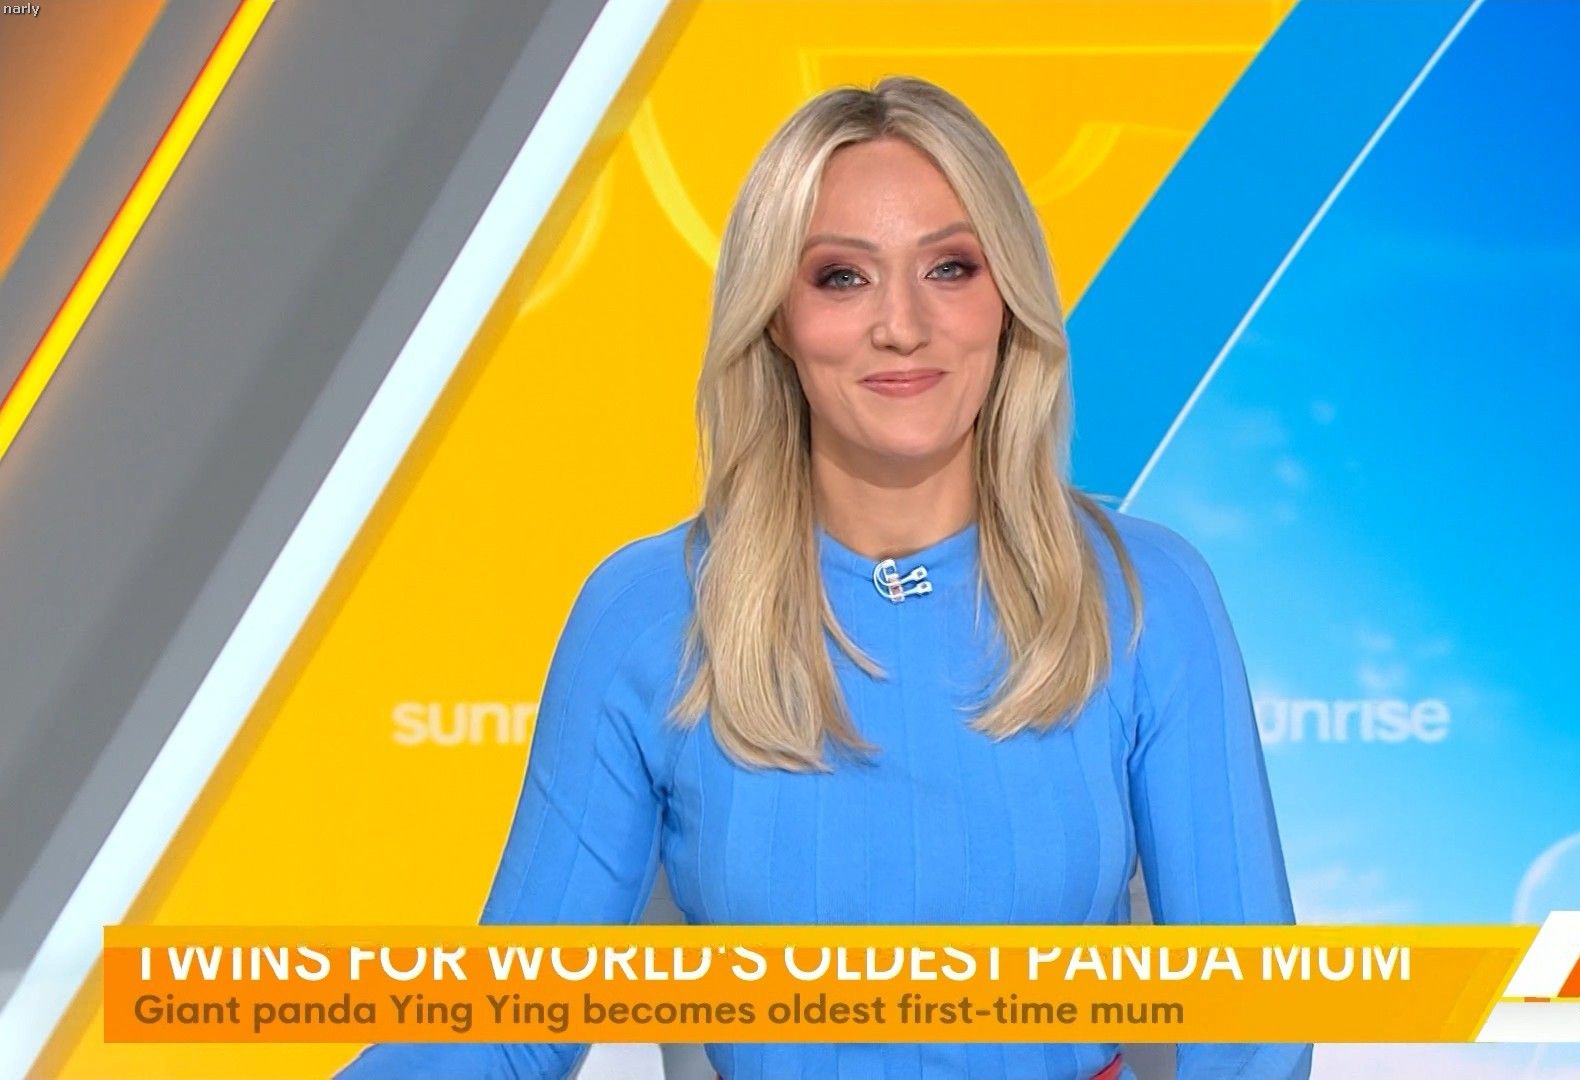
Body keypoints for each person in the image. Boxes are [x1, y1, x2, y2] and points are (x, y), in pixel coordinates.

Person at [338, 75, 1309, 1080]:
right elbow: (508, 1025)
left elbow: (1254, 1029)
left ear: (1008, 300)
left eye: (951, 267)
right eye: (842, 277)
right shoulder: (647, 612)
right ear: (776, 319)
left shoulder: (1148, 595)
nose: (903, 325)